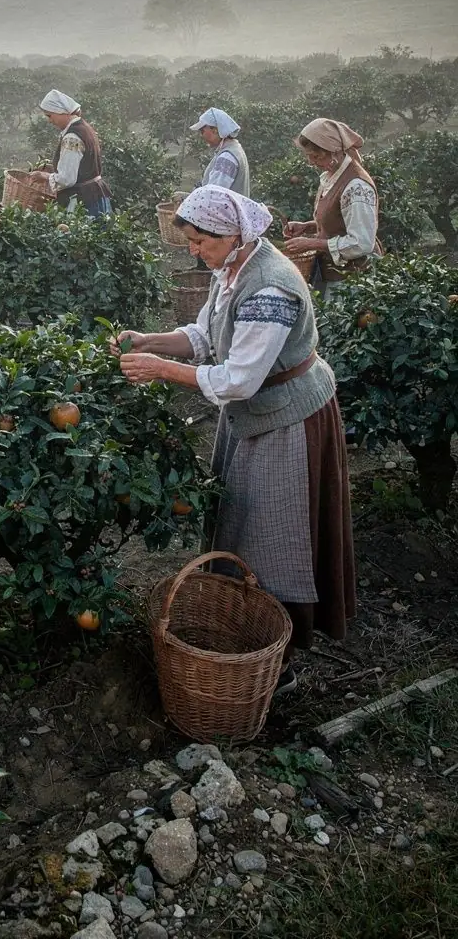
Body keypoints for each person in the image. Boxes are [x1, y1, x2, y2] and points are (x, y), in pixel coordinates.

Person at [113, 184, 356, 695]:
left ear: (233, 235)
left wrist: (161, 370)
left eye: (202, 241)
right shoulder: (232, 269)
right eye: (192, 241)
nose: (194, 251)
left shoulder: (270, 287)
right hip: (255, 412)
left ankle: (280, 651)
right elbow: (205, 335)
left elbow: (240, 378)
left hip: (285, 416)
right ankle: (244, 625)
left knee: (273, 527)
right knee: (243, 516)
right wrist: (153, 340)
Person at [283, 118, 380, 296]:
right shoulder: (332, 176)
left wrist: (312, 243)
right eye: (308, 156)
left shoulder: (356, 187)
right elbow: (340, 219)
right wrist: (308, 226)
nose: (311, 162)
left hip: (354, 280)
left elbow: (362, 243)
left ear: (333, 151)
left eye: (316, 156)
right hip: (332, 273)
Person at [37, 89, 112, 217]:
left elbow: (67, 179)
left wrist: (43, 176)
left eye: (50, 115)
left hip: (84, 202)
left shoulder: (72, 137)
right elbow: (82, 165)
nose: (49, 121)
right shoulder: (83, 127)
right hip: (96, 195)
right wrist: (52, 169)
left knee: (86, 235)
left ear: (61, 112)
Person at [191, 107, 250, 195]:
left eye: (202, 131)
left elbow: (213, 195)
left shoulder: (227, 158)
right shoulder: (234, 150)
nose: (202, 135)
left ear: (214, 130)